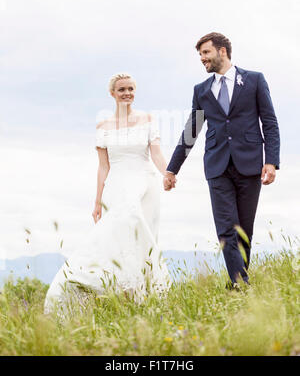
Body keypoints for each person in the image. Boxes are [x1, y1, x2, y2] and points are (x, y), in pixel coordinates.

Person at [44, 73, 170, 314]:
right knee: (116, 236)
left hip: (146, 184)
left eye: (131, 89)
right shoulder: (103, 127)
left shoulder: (147, 119)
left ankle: (143, 297)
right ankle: (103, 285)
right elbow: (103, 167)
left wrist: (167, 173)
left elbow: (156, 154)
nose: (127, 93)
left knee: (143, 238)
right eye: (122, 89)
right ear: (112, 93)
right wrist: (98, 202)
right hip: (117, 186)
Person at [164, 32, 280, 288]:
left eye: (206, 53)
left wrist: (271, 161)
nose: (202, 59)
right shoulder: (201, 90)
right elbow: (191, 132)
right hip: (217, 167)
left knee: (244, 232)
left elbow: (269, 123)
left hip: (250, 164)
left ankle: (235, 285)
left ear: (222, 51)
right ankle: (241, 284)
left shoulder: (254, 80)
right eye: (200, 55)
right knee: (227, 229)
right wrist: (172, 170)